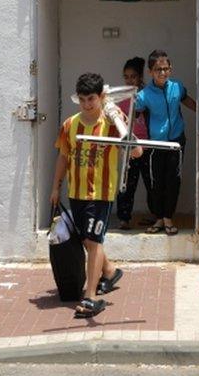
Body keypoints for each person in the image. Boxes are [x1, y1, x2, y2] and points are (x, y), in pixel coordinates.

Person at [50, 72, 141, 318]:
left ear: (101, 96)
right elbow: (63, 156)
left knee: (94, 240)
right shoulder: (70, 124)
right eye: (82, 99)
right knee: (87, 239)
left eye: (91, 98)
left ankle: (90, 296)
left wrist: (122, 125)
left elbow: (137, 152)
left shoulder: (112, 122)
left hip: (101, 192)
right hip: (76, 191)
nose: (87, 104)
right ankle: (110, 271)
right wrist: (56, 187)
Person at [135, 49, 196, 236]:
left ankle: (168, 218)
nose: (162, 73)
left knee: (173, 181)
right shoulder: (144, 94)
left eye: (166, 69)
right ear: (150, 72)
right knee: (156, 182)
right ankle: (159, 218)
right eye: (158, 69)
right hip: (155, 144)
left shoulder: (177, 87)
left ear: (171, 69)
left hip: (176, 141)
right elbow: (131, 112)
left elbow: (187, 100)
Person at [115, 57, 152, 230]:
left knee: (151, 182)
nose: (130, 80)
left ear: (141, 77)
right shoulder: (122, 98)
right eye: (126, 76)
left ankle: (156, 215)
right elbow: (119, 123)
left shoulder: (147, 95)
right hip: (130, 147)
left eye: (133, 76)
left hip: (148, 146)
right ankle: (124, 218)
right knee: (127, 183)